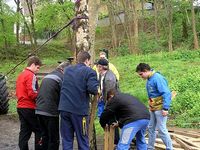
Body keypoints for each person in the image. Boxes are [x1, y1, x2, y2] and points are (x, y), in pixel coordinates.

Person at [58, 51, 99, 150]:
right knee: (82, 139)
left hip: (64, 109)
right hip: (79, 112)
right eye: (90, 62)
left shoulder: (67, 70)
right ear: (87, 60)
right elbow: (93, 89)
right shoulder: (89, 71)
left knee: (67, 139)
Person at [136, 63, 173, 150]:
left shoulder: (157, 78)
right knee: (151, 127)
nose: (141, 76)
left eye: (141, 74)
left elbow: (166, 93)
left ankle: (169, 148)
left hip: (160, 108)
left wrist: (165, 108)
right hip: (153, 107)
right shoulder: (149, 79)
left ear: (145, 71)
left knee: (161, 130)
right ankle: (150, 148)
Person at [35, 61, 70, 150]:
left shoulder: (47, 76)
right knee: (53, 139)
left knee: (44, 136)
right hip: (50, 112)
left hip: (38, 109)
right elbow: (64, 95)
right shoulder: (61, 78)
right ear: (64, 70)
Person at [16, 56, 43, 150]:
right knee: (40, 130)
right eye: (38, 67)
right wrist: (41, 96)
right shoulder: (31, 75)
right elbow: (32, 93)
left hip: (20, 107)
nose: (38, 70)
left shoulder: (21, 75)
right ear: (32, 65)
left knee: (25, 131)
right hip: (29, 107)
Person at [97, 58, 120, 145]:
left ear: (101, 67)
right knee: (107, 120)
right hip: (105, 100)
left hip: (112, 101)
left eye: (98, 66)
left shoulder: (109, 78)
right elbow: (103, 89)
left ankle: (115, 141)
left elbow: (111, 95)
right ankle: (110, 138)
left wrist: (108, 107)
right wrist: (101, 96)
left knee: (112, 120)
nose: (97, 68)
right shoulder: (101, 75)